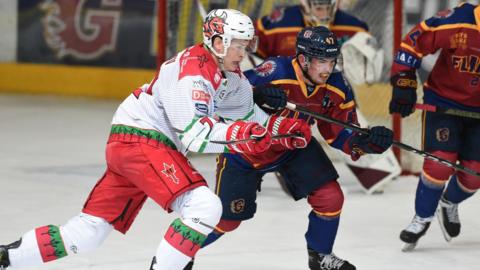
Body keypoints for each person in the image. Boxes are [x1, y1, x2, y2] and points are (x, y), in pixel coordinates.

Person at [0, 9, 311, 270]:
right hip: (142, 140)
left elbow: (249, 115)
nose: (243, 54)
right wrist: (258, 134)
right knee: (204, 206)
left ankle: (6, 257)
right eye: (237, 46)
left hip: (135, 146)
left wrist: (279, 128)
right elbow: (197, 135)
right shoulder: (192, 70)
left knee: (87, 234)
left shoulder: (231, 77)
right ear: (217, 42)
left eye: (246, 46)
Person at [186, 26, 394, 270]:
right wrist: (257, 94)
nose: (328, 69)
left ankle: (320, 256)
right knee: (227, 220)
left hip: (293, 144)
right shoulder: (276, 70)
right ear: (304, 59)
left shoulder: (337, 86)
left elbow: (340, 134)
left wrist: (366, 142)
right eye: (321, 62)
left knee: (330, 197)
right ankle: (180, 250)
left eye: (332, 61)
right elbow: (226, 94)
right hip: (247, 149)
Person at [252, 0, 399, 194]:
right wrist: (259, 89)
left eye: (327, 7)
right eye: (318, 7)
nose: (323, 13)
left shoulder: (353, 27)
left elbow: (365, 68)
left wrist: (366, 142)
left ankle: (371, 163)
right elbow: (250, 57)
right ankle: (275, 156)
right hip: (281, 96)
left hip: (324, 93)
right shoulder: (275, 23)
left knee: (377, 172)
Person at [389, 2, 480, 251]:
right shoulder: (458, 20)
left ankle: (449, 202)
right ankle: (422, 218)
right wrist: (405, 81)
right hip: (444, 103)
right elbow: (413, 41)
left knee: (474, 176)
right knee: (439, 163)